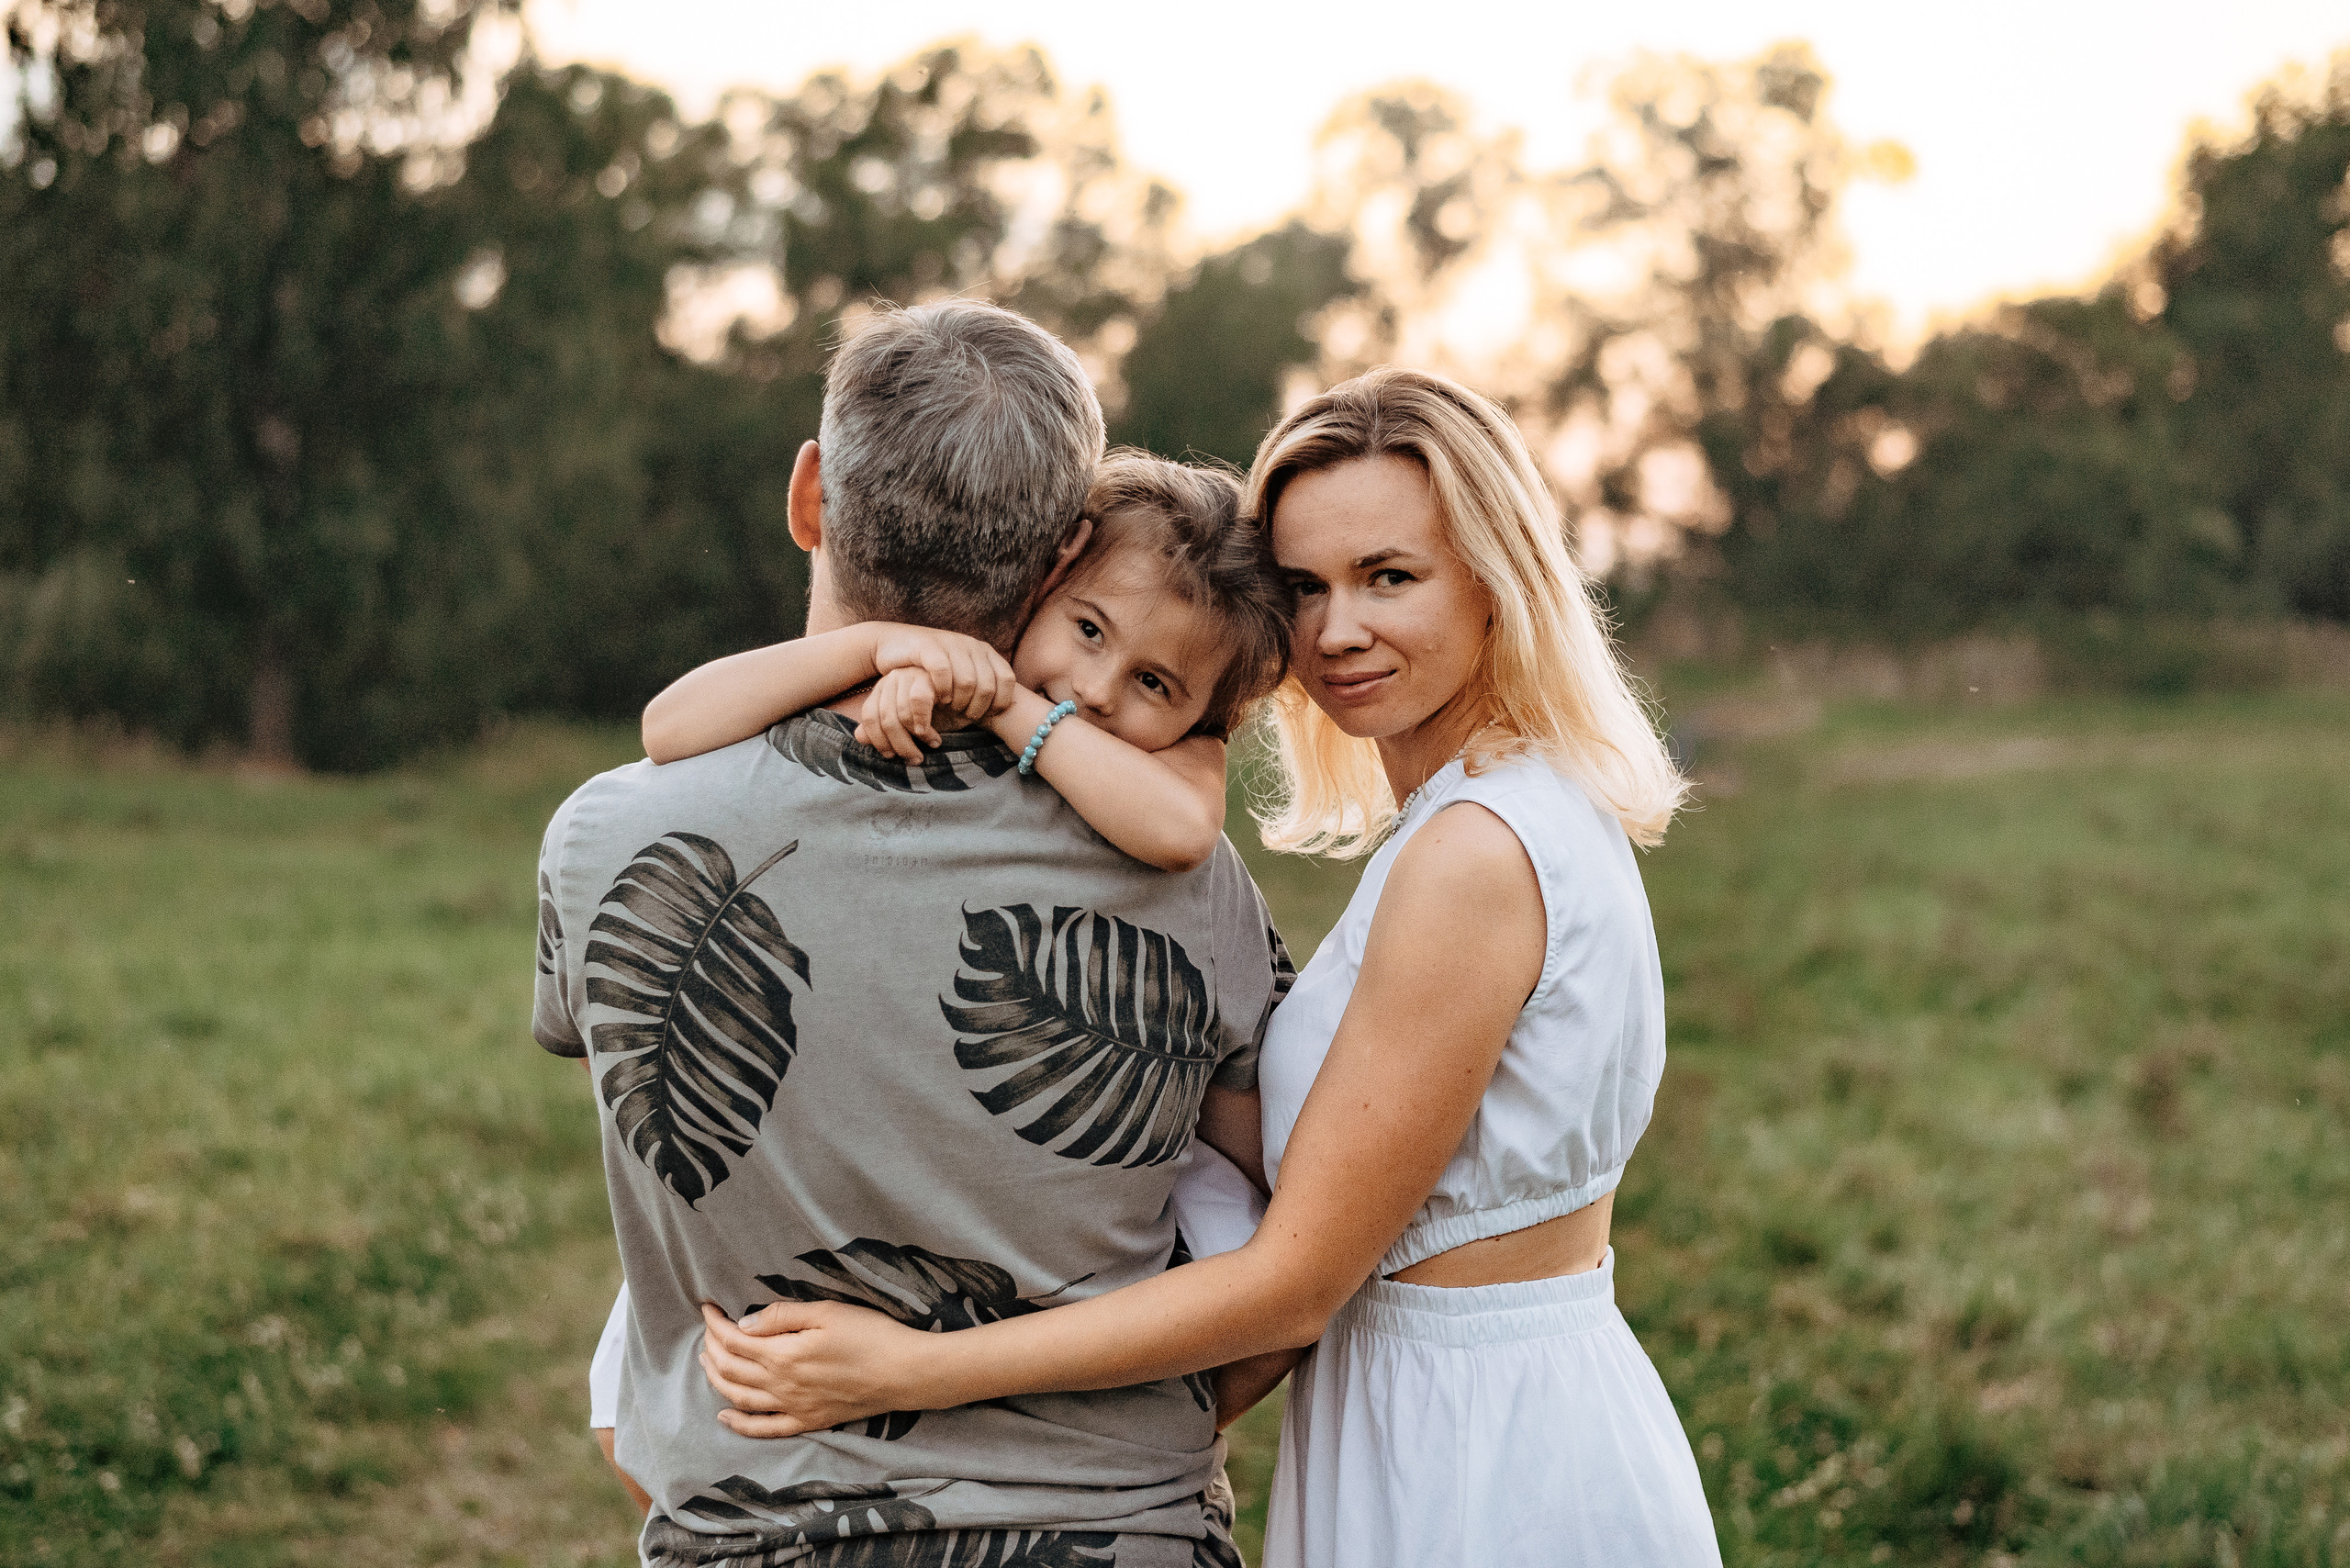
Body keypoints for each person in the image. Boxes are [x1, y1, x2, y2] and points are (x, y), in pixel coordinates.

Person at [695, 367, 1724, 1567]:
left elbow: (1293, 1286)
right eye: (1302, 587)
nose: (1336, 629)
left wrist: (914, 1371)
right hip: (1433, 1407)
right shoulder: (1487, 810)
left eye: (1389, 577)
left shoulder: (1478, 855)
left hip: (1482, 1457)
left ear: (1497, 579)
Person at [533, 298, 1292, 1567]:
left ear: (810, 496)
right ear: (1059, 559)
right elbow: (1299, 1241)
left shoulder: (605, 841)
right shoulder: (1185, 877)